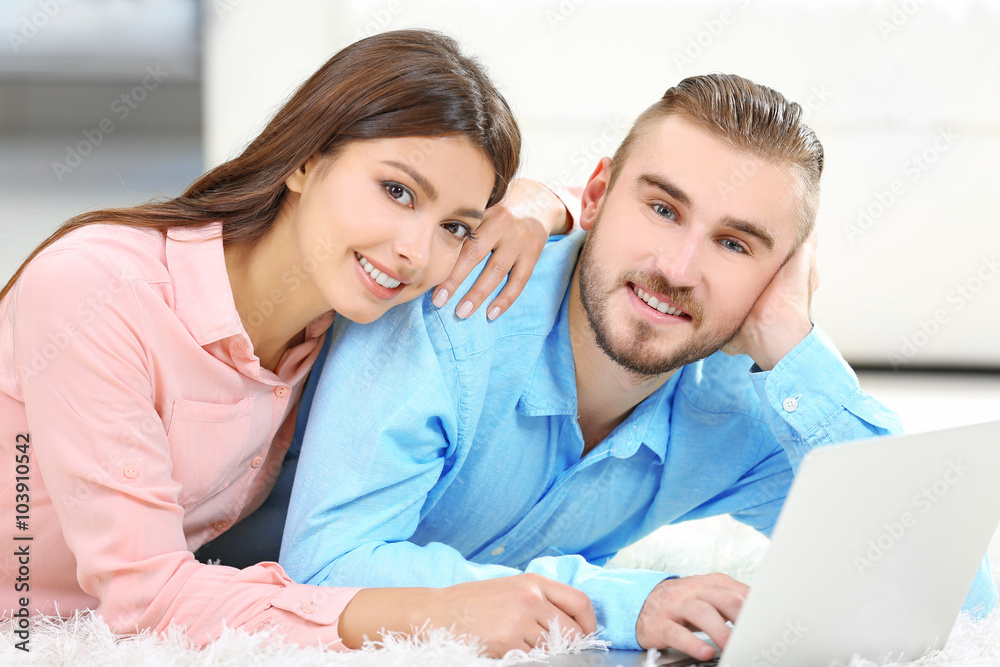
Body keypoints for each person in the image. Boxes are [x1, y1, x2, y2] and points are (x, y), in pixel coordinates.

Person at [280, 73, 998, 660]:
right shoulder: (454, 301)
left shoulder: (738, 405)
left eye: (736, 245)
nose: (676, 268)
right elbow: (327, 564)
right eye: (661, 208)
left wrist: (791, 340)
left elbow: (951, 588)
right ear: (594, 196)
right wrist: (626, 604)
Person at [0, 29, 597, 657]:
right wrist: (433, 613)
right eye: (396, 191)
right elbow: (148, 599)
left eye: (454, 227)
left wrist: (543, 206)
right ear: (306, 161)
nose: (415, 252)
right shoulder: (97, 292)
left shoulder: (347, 317)